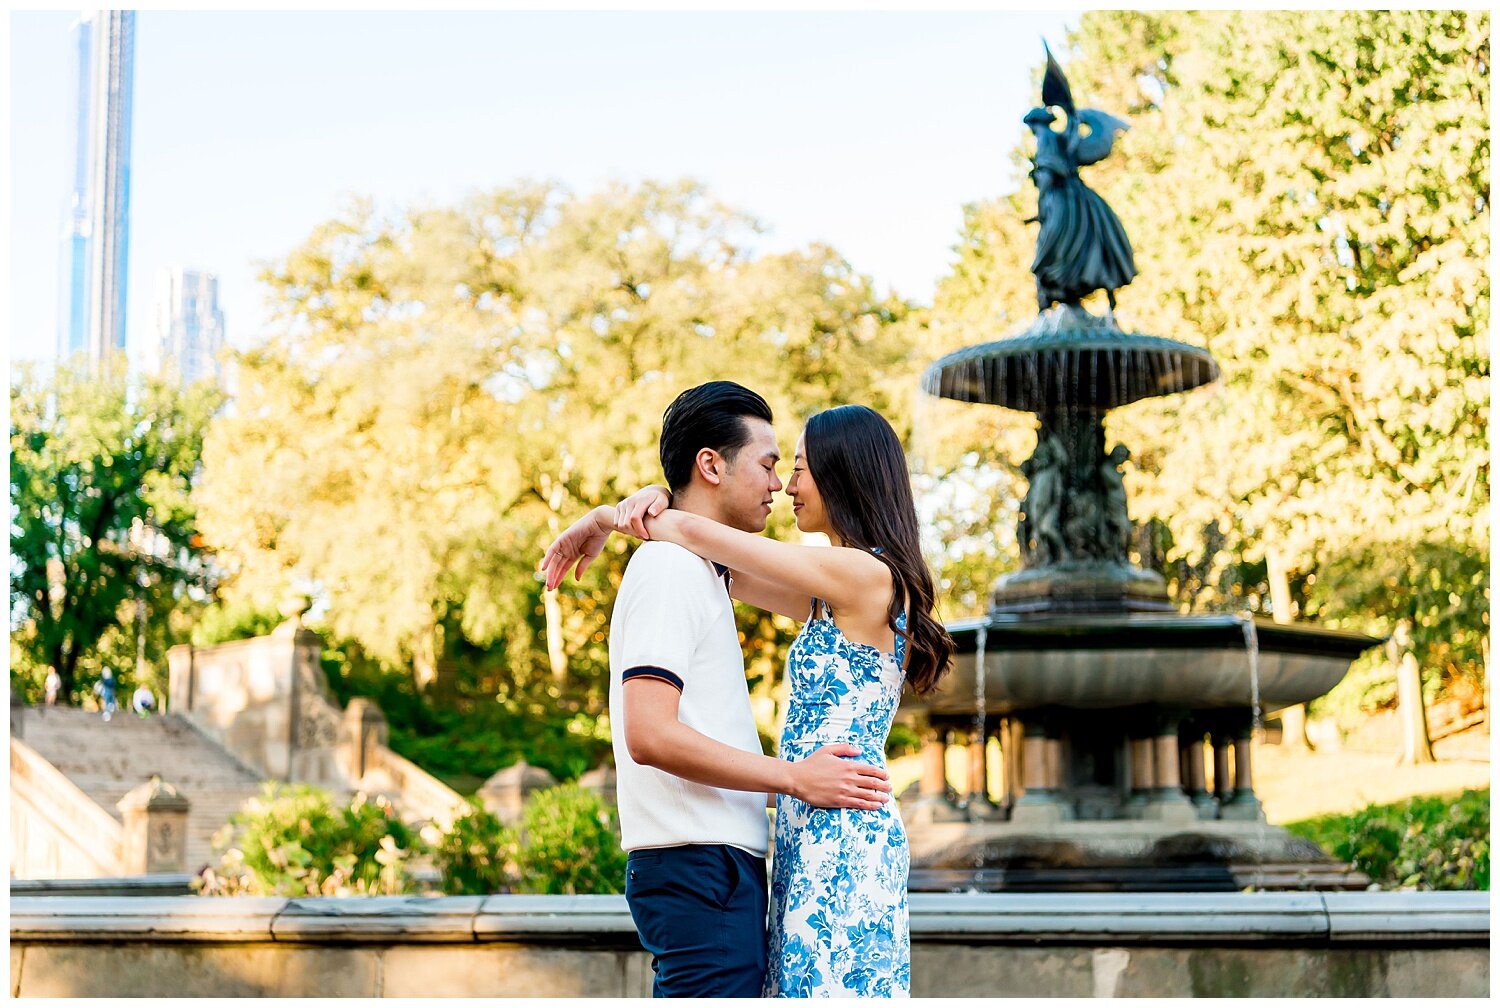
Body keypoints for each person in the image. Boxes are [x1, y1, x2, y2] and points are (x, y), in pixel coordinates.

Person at [543, 401, 954, 998]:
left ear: (843, 473)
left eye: (799, 468)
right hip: (806, 815)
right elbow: (709, 555)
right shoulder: (829, 595)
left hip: (839, 824)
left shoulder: (866, 576)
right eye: (779, 466)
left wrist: (610, 517)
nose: (786, 484)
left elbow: (696, 532)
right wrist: (633, 511)